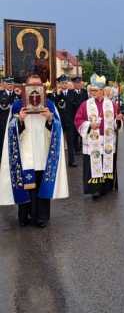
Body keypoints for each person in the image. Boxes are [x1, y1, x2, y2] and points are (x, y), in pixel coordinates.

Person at [0, 74, 69, 227]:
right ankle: (24, 217)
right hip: (25, 154)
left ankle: (41, 218)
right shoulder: (18, 106)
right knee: (26, 185)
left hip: (43, 153)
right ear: (25, 87)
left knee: (42, 186)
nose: (35, 88)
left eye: (38, 84)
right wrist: (19, 120)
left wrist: (50, 118)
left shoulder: (49, 105)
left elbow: (57, 127)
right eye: (31, 84)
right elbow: (10, 131)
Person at [74, 74, 123, 200]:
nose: (92, 93)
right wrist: (90, 125)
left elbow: (117, 123)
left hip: (107, 140)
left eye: (95, 90)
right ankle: (95, 190)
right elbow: (78, 120)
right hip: (93, 142)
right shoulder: (85, 104)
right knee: (94, 164)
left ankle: (106, 188)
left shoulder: (111, 104)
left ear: (102, 91)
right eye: (91, 90)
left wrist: (118, 120)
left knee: (106, 163)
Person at [54, 74, 77, 167]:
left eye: (65, 83)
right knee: (58, 142)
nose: (64, 85)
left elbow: (74, 105)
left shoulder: (72, 93)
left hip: (70, 121)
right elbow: (54, 105)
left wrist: (63, 95)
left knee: (70, 142)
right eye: (62, 83)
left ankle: (72, 161)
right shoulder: (56, 94)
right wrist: (58, 95)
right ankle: (58, 162)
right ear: (59, 84)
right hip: (59, 120)